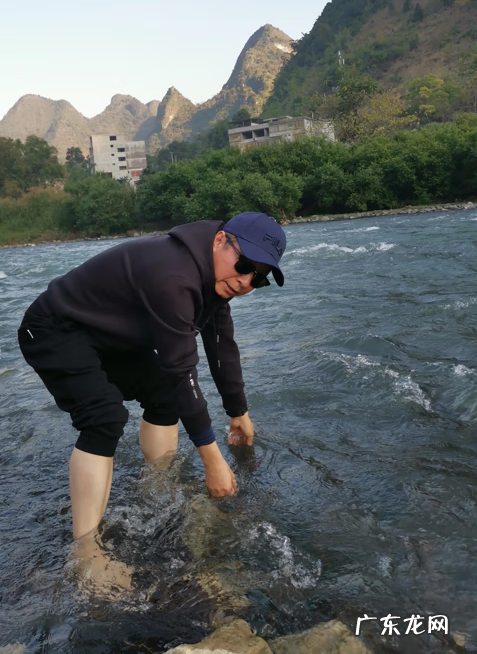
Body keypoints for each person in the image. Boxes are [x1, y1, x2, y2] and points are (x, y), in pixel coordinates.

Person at [17, 211, 286, 591]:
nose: (245, 281)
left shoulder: (211, 278)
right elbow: (183, 370)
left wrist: (238, 412)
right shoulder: (174, 275)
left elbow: (222, 345)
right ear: (219, 241)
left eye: (257, 278)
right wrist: (213, 461)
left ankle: (156, 491)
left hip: (109, 335)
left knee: (163, 395)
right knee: (104, 416)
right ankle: (86, 554)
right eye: (243, 265)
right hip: (54, 329)